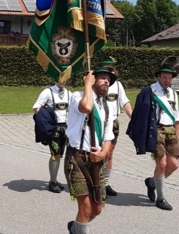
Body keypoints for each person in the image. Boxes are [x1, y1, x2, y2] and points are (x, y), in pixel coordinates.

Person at [64, 67, 116, 234]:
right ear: (92, 80)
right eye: (102, 78)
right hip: (77, 158)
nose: (106, 81)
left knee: (97, 208)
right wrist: (87, 85)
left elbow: (108, 137)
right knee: (86, 207)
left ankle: (76, 228)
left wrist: (103, 153)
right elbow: (86, 107)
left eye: (108, 80)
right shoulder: (77, 96)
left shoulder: (107, 107)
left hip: (96, 160)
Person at [129, 64, 179, 211]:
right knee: (162, 164)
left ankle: (151, 182)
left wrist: (178, 137)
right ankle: (160, 198)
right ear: (158, 77)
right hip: (156, 130)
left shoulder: (173, 94)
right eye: (164, 77)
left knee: (174, 165)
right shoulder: (150, 91)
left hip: (171, 130)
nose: (167, 80)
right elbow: (140, 114)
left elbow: (177, 118)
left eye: (169, 77)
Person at [99, 59, 132, 196]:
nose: (109, 72)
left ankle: (105, 183)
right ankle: (95, 181)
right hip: (99, 122)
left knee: (109, 154)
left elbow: (125, 103)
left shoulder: (118, 85)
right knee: (98, 152)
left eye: (111, 69)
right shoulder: (98, 85)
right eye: (106, 70)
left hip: (113, 122)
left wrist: (134, 119)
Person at [32, 82, 70, 193]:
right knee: (55, 154)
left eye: (64, 78)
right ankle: (52, 181)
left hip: (66, 128)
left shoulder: (69, 93)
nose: (62, 81)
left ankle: (55, 180)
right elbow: (36, 107)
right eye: (59, 78)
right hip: (54, 128)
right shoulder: (47, 92)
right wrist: (46, 122)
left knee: (60, 154)